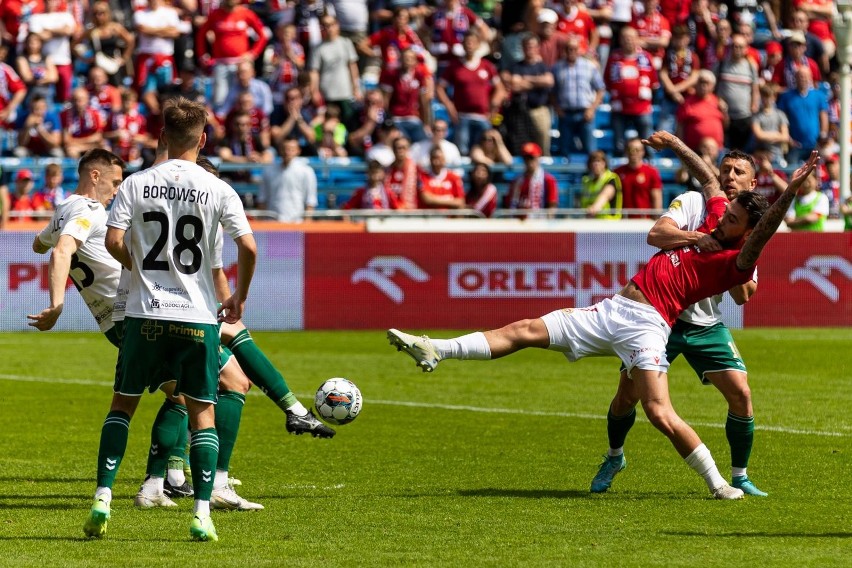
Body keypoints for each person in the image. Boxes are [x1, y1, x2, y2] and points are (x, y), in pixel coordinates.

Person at [388, 146, 821, 500]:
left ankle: (721, 484)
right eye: (723, 214)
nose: (722, 216)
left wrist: (794, 188)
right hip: (612, 309)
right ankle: (435, 348)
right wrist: (674, 146)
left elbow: (765, 230)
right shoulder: (710, 217)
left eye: (732, 219)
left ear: (747, 230)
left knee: (658, 411)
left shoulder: (738, 260)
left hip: (650, 324)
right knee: (524, 330)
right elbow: (708, 180)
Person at [84, 98, 258, 542]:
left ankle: (103, 497)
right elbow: (249, 247)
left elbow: (113, 240)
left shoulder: (136, 183)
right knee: (202, 413)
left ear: (162, 136)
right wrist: (237, 297)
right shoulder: (220, 189)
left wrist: (140, 268)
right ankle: (202, 512)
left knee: (122, 405)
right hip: (197, 318)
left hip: (144, 315)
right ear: (203, 139)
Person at [589, 132, 769, 498]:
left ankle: (740, 475)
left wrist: (739, 262)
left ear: (753, 184)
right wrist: (698, 238)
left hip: (705, 325)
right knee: (626, 398)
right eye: (725, 170)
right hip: (657, 319)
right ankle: (614, 456)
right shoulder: (693, 202)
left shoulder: (749, 232)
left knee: (742, 394)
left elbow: (744, 296)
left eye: (738, 173)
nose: (730, 177)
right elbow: (656, 234)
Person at [437, 32, 505, 157]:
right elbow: (440, 88)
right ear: (462, 45)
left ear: (478, 45)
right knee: (462, 151)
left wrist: (494, 104)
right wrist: (449, 106)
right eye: (467, 42)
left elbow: (500, 89)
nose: (469, 45)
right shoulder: (454, 66)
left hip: (483, 116)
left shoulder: (487, 66)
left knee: (486, 151)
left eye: (472, 42)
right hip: (462, 116)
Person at [196, 0, 268, 109]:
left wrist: (253, 53)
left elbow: (263, 35)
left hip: (241, 64)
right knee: (220, 98)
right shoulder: (215, 14)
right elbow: (201, 34)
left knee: (243, 98)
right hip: (221, 64)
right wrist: (202, 55)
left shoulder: (246, 13)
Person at [604, 26, 658, 156]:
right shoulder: (614, 58)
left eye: (631, 37)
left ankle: (649, 167)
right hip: (619, 108)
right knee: (619, 144)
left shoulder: (646, 57)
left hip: (641, 108)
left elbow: (654, 82)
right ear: (620, 40)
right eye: (625, 38)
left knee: (648, 143)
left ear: (637, 39)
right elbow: (607, 80)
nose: (628, 41)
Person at [551, 36, 605, 156]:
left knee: (591, 150)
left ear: (579, 49)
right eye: (568, 48)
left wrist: (592, 109)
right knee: (564, 150)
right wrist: (557, 109)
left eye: (574, 48)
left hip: (585, 113)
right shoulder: (557, 68)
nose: (571, 51)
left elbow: (600, 89)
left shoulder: (589, 66)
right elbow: (552, 92)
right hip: (565, 114)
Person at [310, 15, 361, 126]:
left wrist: (356, 88)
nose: (329, 28)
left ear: (337, 25)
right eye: (325, 26)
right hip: (327, 93)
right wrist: (314, 91)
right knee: (329, 124)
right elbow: (314, 72)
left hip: (346, 92)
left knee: (349, 123)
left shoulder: (346, 43)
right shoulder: (318, 48)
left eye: (332, 25)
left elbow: (352, 66)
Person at [714, 33, 759, 151]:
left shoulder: (751, 66)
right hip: (725, 117)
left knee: (743, 153)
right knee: (727, 153)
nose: (736, 49)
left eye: (740, 46)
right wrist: (718, 101)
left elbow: (755, 89)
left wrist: (753, 106)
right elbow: (712, 87)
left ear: (746, 49)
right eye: (734, 46)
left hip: (745, 117)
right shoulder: (721, 64)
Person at [777, 66, 828, 164]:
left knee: (819, 170)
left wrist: (823, 134)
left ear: (810, 78)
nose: (803, 79)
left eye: (805, 76)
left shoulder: (818, 95)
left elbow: (823, 116)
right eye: (800, 76)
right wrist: (788, 139)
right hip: (796, 145)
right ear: (795, 78)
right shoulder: (786, 97)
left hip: (815, 144)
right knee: (793, 171)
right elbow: (781, 119)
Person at [258, 137, 318, 222]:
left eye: (291, 149)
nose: (287, 152)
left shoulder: (306, 171)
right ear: (280, 150)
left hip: (297, 222)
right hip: (272, 223)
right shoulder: (268, 171)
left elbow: (311, 200)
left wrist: (307, 223)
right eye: (285, 149)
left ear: (298, 151)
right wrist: (262, 222)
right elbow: (262, 198)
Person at [674, 69, 725, 153]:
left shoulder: (717, 101)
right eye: (701, 82)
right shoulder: (687, 103)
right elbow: (680, 128)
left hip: (717, 150)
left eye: (707, 83)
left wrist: (725, 112)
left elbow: (725, 125)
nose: (703, 86)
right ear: (695, 84)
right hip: (694, 152)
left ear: (713, 86)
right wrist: (681, 150)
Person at [503, 142, 558, 212]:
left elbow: (552, 205)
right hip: (518, 220)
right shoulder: (517, 181)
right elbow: (510, 204)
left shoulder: (548, 180)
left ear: (538, 158)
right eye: (526, 158)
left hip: (540, 220)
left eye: (531, 158)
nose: (529, 161)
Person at [614, 137, 662, 218]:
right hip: (623, 221)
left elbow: (656, 197)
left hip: (644, 221)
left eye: (637, 150)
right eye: (630, 149)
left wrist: (656, 218)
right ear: (626, 151)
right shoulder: (617, 172)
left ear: (643, 152)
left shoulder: (651, 172)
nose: (633, 152)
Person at [417, 146, 466, 210]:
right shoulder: (423, 177)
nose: (437, 162)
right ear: (430, 160)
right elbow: (427, 199)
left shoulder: (454, 177)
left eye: (440, 158)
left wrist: (434, 199)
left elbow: (460, 201)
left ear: (444, 160)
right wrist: (449, 199)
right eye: (434, 158)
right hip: (429, 217)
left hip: (449, 217)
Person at [579, 150, 621, 219]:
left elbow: (605, 195)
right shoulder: (586, 181)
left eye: (598, 161)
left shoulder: (611, 178)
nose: (595, 164)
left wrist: (594, 208)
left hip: (609, 225)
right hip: (590, 224)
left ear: (604, 163)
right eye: (592, 161)